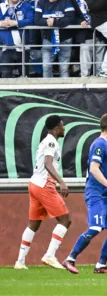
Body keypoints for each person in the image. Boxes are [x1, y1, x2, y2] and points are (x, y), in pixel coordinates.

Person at [61, 114, 107, 275]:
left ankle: (101, 265)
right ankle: (70, 259)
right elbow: (93, 168)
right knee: (95, 227)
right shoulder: (99, 144)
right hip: (96, 193)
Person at [14, 115, 70, 270]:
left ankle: (20, 261)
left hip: (34, 184)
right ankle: (50, 255)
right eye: (62, 125)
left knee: (34, 224)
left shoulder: (46, 141)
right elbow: (47, 163)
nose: (64, 128)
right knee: (65, 220)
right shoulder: (51, 141)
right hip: (45, 185)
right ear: (56, 127)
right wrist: (61, 182)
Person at [35, 0, 77, 78]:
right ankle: (47, 91)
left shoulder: (66, 1)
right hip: (48, 39)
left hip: (65, 39)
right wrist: (47, 22)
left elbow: (71, 18)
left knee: (64, 68)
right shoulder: (41, 2)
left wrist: (55, 22)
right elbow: (37, 20)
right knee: (46, 67)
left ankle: (65, 92)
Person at [0, 0, 35, 78]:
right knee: (6, 75)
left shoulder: (26, 6)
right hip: (7, 48)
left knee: (25, 76)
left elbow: (31, 20)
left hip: (23, 48)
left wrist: (15, 23)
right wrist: (1, 24)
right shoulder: (1, 7)